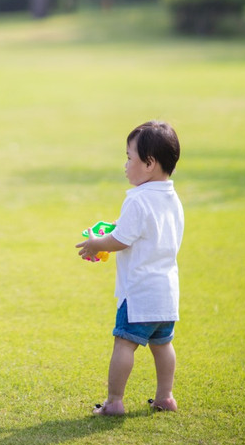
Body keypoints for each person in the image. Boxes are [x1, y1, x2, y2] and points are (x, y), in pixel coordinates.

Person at [76, 120, 184, 415]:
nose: (125, 165)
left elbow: (121, 240)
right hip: (166, 291)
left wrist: (97, 243)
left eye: (129, 157)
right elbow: (148, 234)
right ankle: (166, 397)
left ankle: (114, 402)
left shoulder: (137, 199)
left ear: (149, 163)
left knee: (124, 343)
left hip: (138, 292)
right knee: (163, 346)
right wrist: (116, 232)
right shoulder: (173, 199)